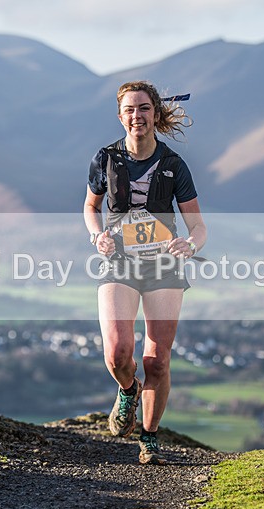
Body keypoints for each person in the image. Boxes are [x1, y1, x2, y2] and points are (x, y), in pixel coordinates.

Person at [83, 81, 207, 465]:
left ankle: (149, 439)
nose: (137, 116)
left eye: (144, 108)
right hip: (119, 261)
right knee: (118, 352)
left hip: (164, 265)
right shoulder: (105, 159)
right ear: (120, 117)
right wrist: (96, 236)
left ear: (155, 113)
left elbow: (198, 226)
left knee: (158, 359)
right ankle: (127, 389)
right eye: (130, 110)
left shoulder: (173, 165)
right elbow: (90, 207)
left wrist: (190, 245)